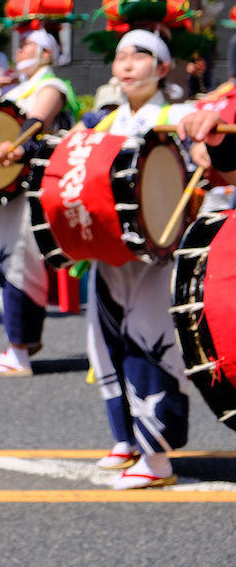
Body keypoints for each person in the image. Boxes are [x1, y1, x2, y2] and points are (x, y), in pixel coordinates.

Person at [64, 30, 192, 488]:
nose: (127, 63)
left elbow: (205, 162)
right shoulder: (101, 121)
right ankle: (127, 439)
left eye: (140, 55)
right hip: (108, 251)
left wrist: (204, 131)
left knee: (150, 342)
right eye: (120, 56)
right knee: (105, 344)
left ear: (162, 68)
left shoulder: (180, 115)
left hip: (158, 256)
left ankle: (157, 457)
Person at [0, 27, 76, 376]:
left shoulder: (52, 87)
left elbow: (36, 124)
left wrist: (16, 146)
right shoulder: (16, 87)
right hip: (8, 187)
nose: (20, 49)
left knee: (19, 261)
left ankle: (19, 351)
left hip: (31, 186)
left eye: (29, 44)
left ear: (47, 54)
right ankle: (23, 340)